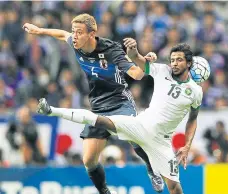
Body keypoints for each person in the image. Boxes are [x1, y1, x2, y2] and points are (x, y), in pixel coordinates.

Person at [37, 41, 203, 194]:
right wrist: (133, 50)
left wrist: (187, 145)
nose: (174, 63)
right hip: (140, 126)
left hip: (162, 141)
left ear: (189, 63)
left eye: (179, 60)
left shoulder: (196, 91)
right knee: (100, 120)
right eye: (172, 59)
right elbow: (137, 60)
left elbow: (192, 119)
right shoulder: (161, 70)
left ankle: (152, 170)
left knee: (174, 187)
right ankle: (51, 110)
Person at [23, 14, 163, 194]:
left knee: (134, 137)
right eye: (74, 31)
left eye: (79, 32)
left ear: (92, 34)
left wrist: (144, 63)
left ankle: (152, 169)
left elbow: (136, 74)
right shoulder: (76, 44)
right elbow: (60, 34)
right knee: (89, 160)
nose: (74, 36)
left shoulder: (111, 49)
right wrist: (40, 30)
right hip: (97, 106)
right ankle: (104, 191)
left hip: (120, 101)